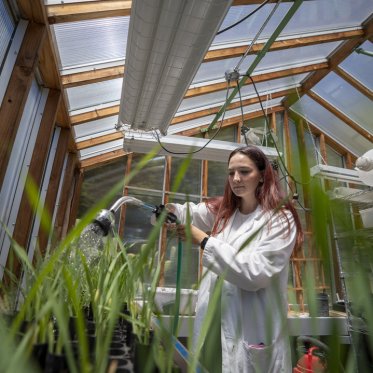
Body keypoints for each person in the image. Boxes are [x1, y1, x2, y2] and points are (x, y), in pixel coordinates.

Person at [166, 145, 303, 372]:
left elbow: (255, 274)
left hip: (250, 331)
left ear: (262, 176)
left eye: (244, 172)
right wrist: (168, 212)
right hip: (214, 328)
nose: (236, 178)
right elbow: (188, 211)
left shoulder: (279, 219)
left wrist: (204, 240)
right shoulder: (225, 212)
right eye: (231, 173)